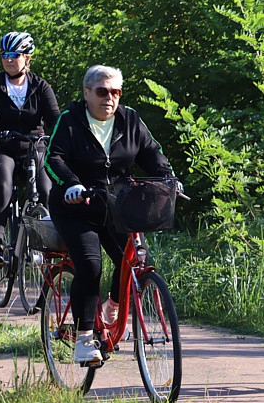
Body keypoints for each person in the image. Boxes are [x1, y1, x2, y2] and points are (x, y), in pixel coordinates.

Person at [45, 65, 177, 365]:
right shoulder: (70, 120)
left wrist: (168, 178)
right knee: (90, 266)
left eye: (116, 92)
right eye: (103, 91)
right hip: (76, 207)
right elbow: (53, 158)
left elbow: (151, 152)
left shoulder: (130, 119)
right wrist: (72, 184)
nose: (110, 98)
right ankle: (83, 339)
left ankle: (113, 309)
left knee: (131, 259)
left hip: (118, 203)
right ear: (87, 93)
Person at [0, 31, 60, 268]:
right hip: (1, 147)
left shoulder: (40, 86)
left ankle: (45, 245)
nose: (8, 59)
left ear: (27, 58)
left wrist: (60, 133)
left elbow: (54, 116)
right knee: (3, 187)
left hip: (34, 146)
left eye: (14, 55)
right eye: (5, 55)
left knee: (46, 190)